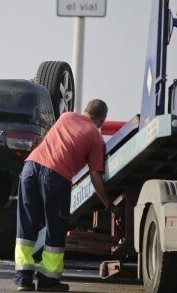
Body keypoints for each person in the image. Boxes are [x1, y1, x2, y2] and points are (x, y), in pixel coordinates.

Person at [13, 99, 113, 292]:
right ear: (102, 120)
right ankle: (48, 281)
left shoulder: (66, 116)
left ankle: (23, 280)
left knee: (26, 226)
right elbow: (95, 176)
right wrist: (108, 204)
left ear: (85, 111)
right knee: (55, 227)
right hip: (55, 176)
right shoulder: (95, 136)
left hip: (29, 168)